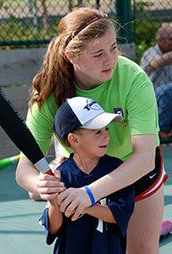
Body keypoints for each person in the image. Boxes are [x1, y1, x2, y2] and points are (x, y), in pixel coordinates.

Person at [16, 7, 168, 254]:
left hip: (134, 174)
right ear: (71, 56)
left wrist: (89, 194)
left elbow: (144, 159)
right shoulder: (49, 91)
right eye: (98, 54)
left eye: (113, 48)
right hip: (81, 179)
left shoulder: (133, 79)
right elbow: (24, 170)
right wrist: (40, 185)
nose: (110, 60)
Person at [40, 96, 134, 254]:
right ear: (74, 139)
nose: (106, 136)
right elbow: (54, 228)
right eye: (98, 132)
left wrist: (86, 204)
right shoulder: (61, 175)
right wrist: (55, 201)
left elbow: (119, 215)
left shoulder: (117, 170)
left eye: (106, 130)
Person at [140, 24, 172, 139]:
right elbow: (156, 63)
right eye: (171, 39)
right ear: (160, 40)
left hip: (167, 97)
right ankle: (162, 129)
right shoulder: (151, 52)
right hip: (151, 95)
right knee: (169, 90)